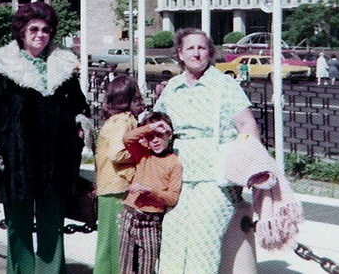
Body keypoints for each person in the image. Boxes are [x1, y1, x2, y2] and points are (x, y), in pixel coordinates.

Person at [0, 1, 90, 274]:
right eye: (34, 29)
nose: (40, 34)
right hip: (17, 161)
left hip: (56, 160)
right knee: (18, 228)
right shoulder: (3, 65)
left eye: (46, 30)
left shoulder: (64, 64)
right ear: (21, 32)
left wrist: (79, 130)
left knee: (53, 226)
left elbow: (80, 105)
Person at [153, 28, 260, 274]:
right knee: (173, 238)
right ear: (180, 53)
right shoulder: (173, 87)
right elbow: (158, 123)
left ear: (210, 52)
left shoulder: (225, 85)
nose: (196, 53)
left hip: (216, 176)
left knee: (203, 239)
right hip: (179, 175)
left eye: (202, 48)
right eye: (190, 48)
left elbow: (247, 125)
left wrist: (249, 168)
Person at [119, 112, 182, 274]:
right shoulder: (142, 153)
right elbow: (127, 138)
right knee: (125, 266)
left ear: (169, 134)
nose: (154, 140)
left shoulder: (174, 162)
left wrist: (151, 191)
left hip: (151, 221)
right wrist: (150, 127)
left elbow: (172, 198)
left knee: (147, 267)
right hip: (130, 214)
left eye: (159, 135)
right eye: (150, 136)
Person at [94, 75, 145, 274]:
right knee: (117, 244)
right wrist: (141, 152)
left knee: (107, 241)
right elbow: (117, 153)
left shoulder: (112, 120)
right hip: (119, 187)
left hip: (108, 186)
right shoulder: (124, 121)